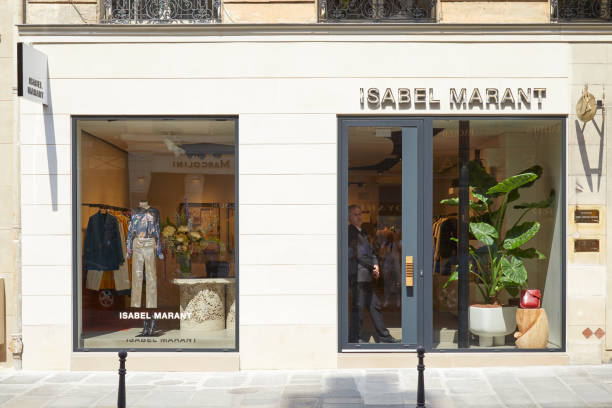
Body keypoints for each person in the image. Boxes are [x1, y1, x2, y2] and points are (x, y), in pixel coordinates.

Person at [348, 205, 399, 344]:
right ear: (349, 217)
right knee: (358, 308)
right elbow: (358, 254)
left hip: (365, 275)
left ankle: (384, 336)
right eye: (355, 215)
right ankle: (355, 338)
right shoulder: (350, 233)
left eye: (360, 214)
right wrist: (373, 267)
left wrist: (375, 264)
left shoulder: (363, 232)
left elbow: (371, 252)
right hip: (358, 275)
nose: (359, 217)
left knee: (374, 305)